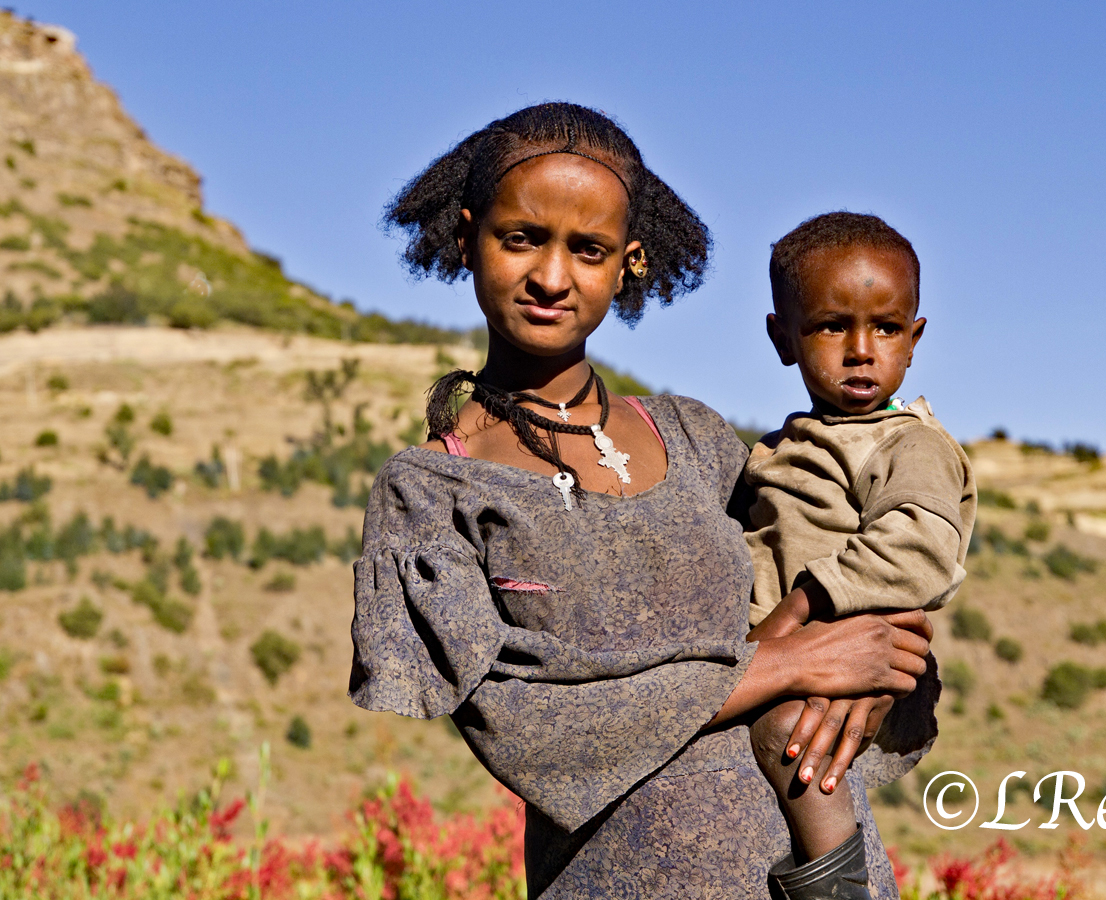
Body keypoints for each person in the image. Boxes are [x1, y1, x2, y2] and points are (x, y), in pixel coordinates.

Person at [348, 103, 934, 899]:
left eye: (587, 250)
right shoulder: (434, 492)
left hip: (828, 878)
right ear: (466, 239)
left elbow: (839, 571)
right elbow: (528, 730)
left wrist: (878, 661)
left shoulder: (696, 439)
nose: (553, 276)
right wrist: (783, 664)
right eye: (521, 237)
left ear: (628, 265)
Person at [739, 212, 977, 898]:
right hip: (793, 657)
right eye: (829, 326)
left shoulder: (907, 445)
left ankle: (835, 888)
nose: (861, 349)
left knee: (793, 738)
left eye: (887, 327)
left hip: (847, 666)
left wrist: (799, 607)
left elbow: (920, 547)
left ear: (915, 337)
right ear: (783, 337)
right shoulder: (794, 442)